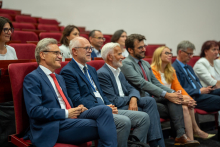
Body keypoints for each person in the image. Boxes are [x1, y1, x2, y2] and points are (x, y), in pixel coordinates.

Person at [23, 38, 117, 147]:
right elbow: (35, 111)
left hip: (69, 119)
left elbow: (64, 102)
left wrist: (78, 108)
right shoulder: (33, 78)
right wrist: (67, 113)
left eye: (60, 53)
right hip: (53, 125)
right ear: (43, 55)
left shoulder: (59, 78)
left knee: (105, 110)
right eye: (56, 53)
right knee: (105, 124)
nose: (60, 56)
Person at [60, 37, 150, 147]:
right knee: (124, 122)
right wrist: (103, 108)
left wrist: (108, 105)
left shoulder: (91, 69)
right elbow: (76, 99)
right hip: (89, 110)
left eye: (90, 48)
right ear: (74, 51)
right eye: (86, 48)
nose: (90, 51)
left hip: (104, 108)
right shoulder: (68, 71)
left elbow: (101, 93)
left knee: (143, 118)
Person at [120, 34, 199, 146]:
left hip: (154, 98)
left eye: (144, 46)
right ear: (130, 50)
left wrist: (172, 93)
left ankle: (180, 136)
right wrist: (166, 95)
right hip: (142, 100)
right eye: (140, 47)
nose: (144, 49)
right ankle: (179, 136)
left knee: (174, 99)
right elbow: (142, 83)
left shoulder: (145, 63)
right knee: (174, 104)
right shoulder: (126, 63)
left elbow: (155, 82)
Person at [97, 42, 165, 147]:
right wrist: (130, 99)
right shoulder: (103, 74)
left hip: (125, 102)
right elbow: (114, 101)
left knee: (150, 101)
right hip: (116, 107)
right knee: (146, 114)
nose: (122, 57)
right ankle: (151, 144)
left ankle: (154, 143)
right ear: (110, 57)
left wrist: (133, 98)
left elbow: (132, 88)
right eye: (119, 54)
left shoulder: (118, 71)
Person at [151, 46, 214, 140]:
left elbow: (178, 87)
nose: (170, 55)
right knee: (184, 105)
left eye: (170, 53)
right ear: (158, 56)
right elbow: (160, 89)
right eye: (166, 53)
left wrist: (189, 98)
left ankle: (190, 138)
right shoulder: (152, 70)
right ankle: (192, 133)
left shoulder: (171, 70)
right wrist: (181, 98)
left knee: (187, 105)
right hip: (160, 99)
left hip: (171, 98)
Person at [172, 40, 220, 139]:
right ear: (180, 52)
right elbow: (179, 90)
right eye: (189, 54)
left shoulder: (189, 67)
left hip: (202, 93)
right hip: (193, 97)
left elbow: (196, 83)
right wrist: (198, 91)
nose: (191, 57)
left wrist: (203, 89)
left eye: (192, 54)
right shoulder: (174, 68)